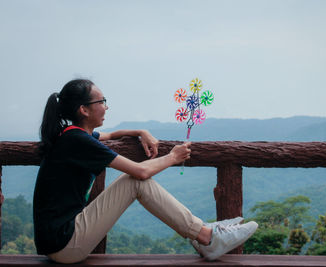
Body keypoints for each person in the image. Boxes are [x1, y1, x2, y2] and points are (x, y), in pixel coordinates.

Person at [33, 79, 258, 264]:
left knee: (133, 180)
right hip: (65, 244)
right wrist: (173, 157)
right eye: (101, 101)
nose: (106, 106)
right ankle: (207, 237)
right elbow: (140, 172)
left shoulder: (72, 134)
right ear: (84, 109)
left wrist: (141, 131)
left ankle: (203, 233)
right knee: (134, 181)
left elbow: (111, 135)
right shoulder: (77, 140)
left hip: (58, 240)